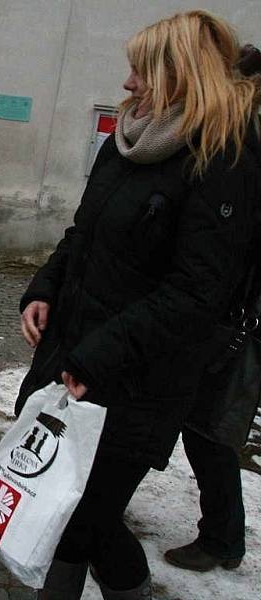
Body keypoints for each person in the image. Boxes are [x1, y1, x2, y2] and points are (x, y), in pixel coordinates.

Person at [16, 11, 261, 599]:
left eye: (142, 71)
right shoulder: (128, 139)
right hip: (72, 357)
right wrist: (44, 287)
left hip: (138, 384)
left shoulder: (226, 158)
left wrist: (96, 356)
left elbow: (196, 295)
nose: (127, 84)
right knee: (65, 512)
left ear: (181, 74)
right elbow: (83, 232)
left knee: (90, 518)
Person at [162, 42, 261, 576]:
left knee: (208, 430)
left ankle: (222, 538)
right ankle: (221, 535)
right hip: (228, 310)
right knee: (205, 428)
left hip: (230, 316)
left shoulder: (241, 143)